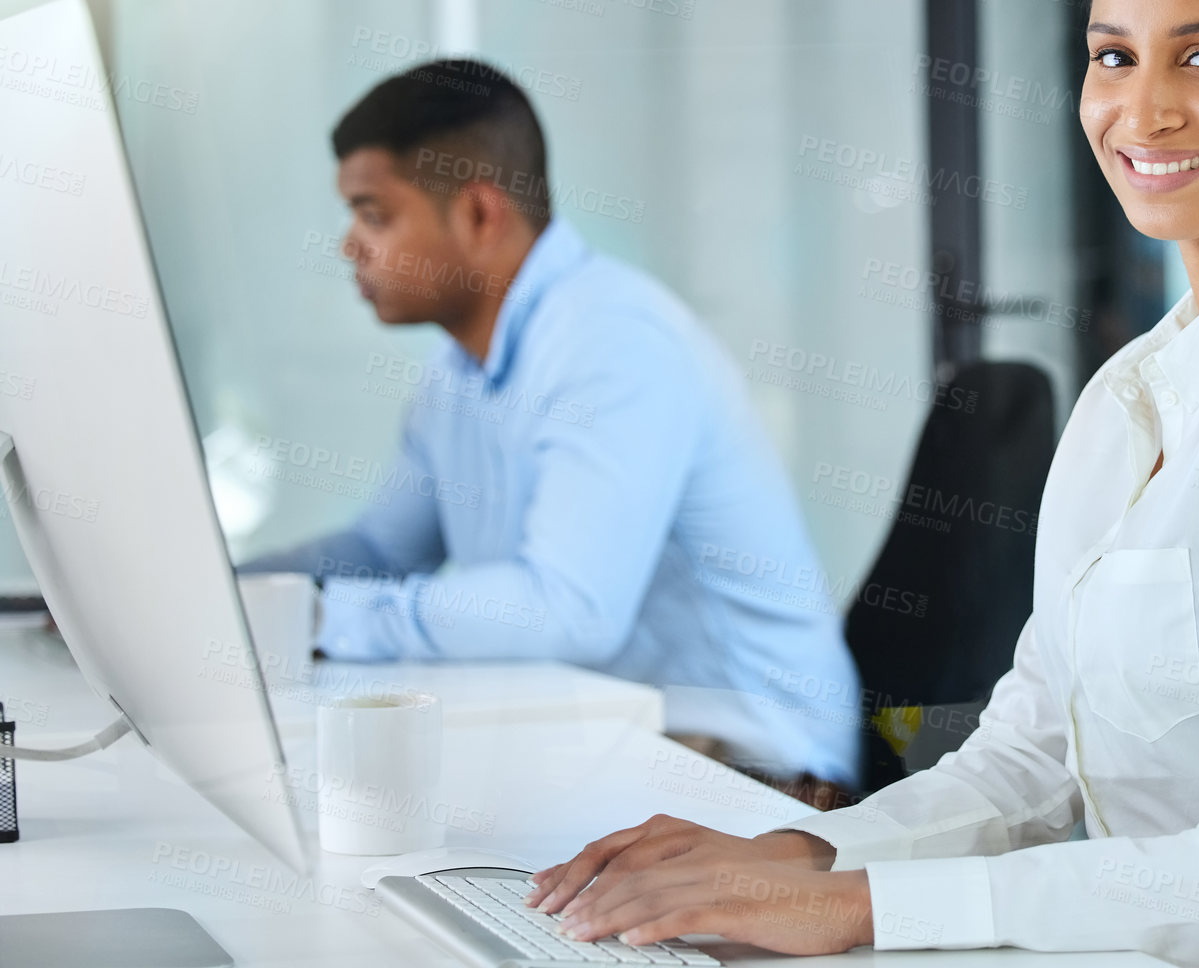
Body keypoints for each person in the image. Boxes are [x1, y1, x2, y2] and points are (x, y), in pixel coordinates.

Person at [521, 0, 1199, 965]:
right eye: (1113, 56)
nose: (1144, 109)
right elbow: (1028, 768)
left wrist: (857, 912)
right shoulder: (1136, 390)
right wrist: (799, 857)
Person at [244, 59, 860, 795]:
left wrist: (314, 619)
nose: (351, 246)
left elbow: (568, 611)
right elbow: (382, 548)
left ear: (477, 214)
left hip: (754, 767)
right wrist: (233, 596)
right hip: (617, 734)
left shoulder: (611, 342)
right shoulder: (459, 368)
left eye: (374, 214)